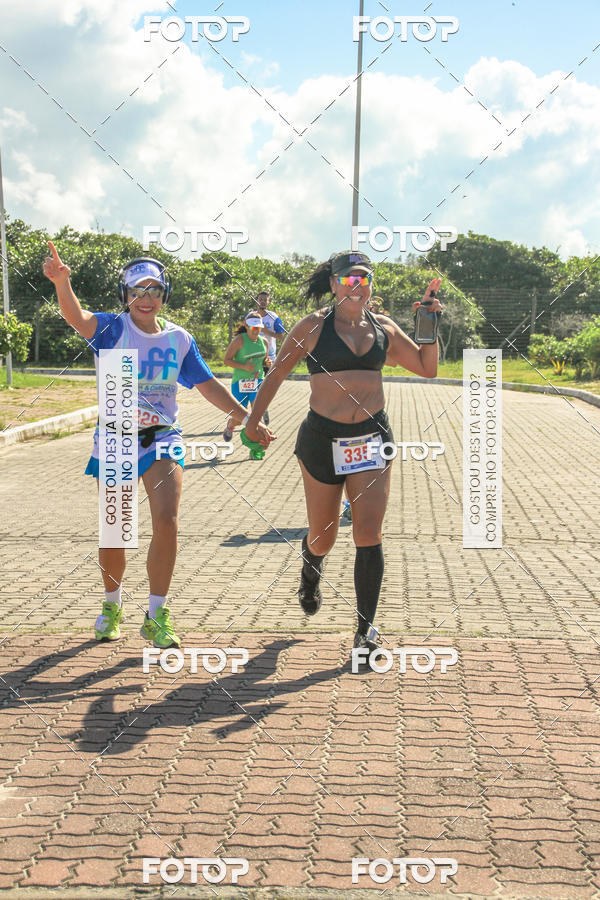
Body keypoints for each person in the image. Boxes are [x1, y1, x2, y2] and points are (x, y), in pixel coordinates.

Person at [42, 244, 272, 649]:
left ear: (165, 295)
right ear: (126, 294)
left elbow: (207, 385)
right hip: (116, 438)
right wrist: (62, 283)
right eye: (137, 291)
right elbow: (76, 317)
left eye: (154, 290)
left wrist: (247, 418)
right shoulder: (112, 329)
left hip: (163, 437)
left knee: (167, 520)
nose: (146, 299)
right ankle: (112, 605)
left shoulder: (178, 338)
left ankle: (156, 614)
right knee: (117, 528)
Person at [244, 251, 442, 662]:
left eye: (364, 278)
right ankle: (310, 569)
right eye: (349, 279)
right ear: (334, 284)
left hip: (370, 440)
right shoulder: (313, 327)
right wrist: (253, 419)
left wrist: (428, 322)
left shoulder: (383, 328)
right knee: (324, 536)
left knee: (368, 533)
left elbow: (427, 368)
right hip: (322, 439)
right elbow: (277, 372)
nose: (357, 285)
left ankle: (364, 631)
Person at [222, 313, 271, 443]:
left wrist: (267, 363)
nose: (256, 331)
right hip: (240, 382)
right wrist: (244, 367)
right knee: (239, 418)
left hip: (257, 380)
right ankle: (230, 425)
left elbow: (264, 360)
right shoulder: (239, 341)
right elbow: (226, 360)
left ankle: (257, 444)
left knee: (256, 414)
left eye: (258, 328)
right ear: (246, 326)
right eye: (253, 328)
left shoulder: (264, 342)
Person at [253, 290, 285, 424]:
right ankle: (256, 414)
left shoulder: (273, 317)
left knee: (264, 386)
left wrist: (266, 331)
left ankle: (262, 409)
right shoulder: (250, 316)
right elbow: (243, 334)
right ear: (256, 301)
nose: (262, 301)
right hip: (252, 357)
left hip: (268, 357)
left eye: (265, 300)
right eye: (260, 299)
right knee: (252, 386)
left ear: (268, 302)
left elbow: (281, 336)